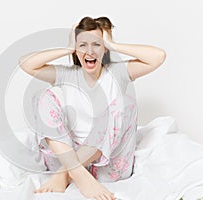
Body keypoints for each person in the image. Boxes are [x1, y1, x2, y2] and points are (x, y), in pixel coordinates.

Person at [19, 16, 166, 200]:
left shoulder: (116, 73)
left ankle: (66, 172)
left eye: (96, 44)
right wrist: (67, 48)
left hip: (108, 168)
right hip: (68, 156)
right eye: (82, 45)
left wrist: (114, 45)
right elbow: (25, 63)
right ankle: (77, 173)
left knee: (126, 103)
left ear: (104, 48)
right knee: (41, 97)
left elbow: (158, 57)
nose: (90, 51)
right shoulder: (67, 75)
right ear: (76, 49)